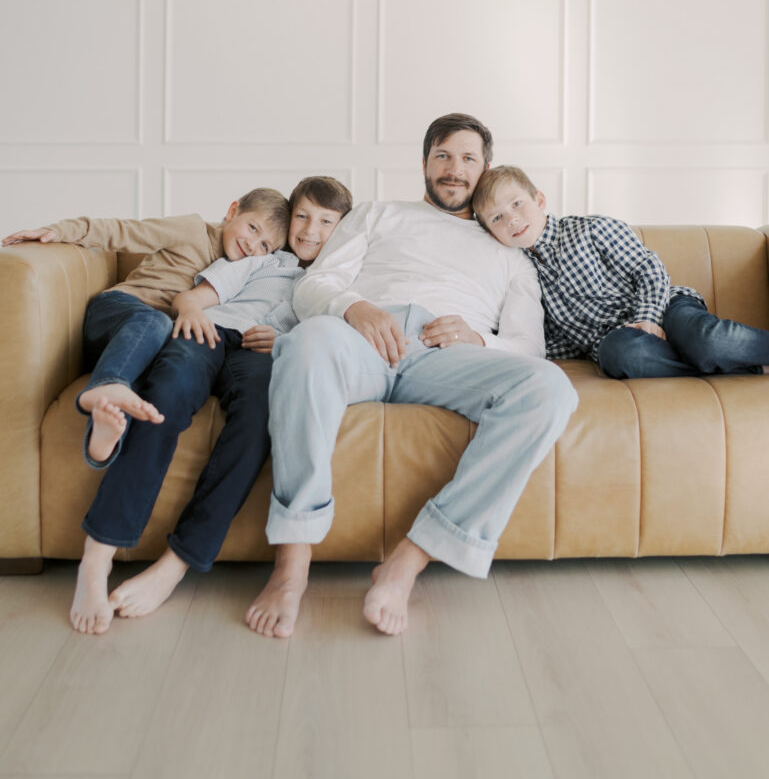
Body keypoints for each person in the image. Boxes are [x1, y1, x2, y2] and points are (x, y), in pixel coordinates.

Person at [246, 114, 579, 639]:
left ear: (484, 167)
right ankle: (292, 562)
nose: (454, 169)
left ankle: (410, 559)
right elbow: (313, 288)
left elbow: (529, 349)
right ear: (424, 163)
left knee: (551, 389)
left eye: (468, 158)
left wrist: (478, 338)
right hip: (360, 336)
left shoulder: (510, 254)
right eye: (443, 155)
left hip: (446, 356)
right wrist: (356, 309)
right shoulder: (378, 214)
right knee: (305, 341)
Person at [67, 176, 352, 635]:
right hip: (209, 333)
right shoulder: (265, 259)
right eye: (302, 215)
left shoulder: (342, 280)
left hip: (263, 356)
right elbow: (195, 297)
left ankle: (175, 564)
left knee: (260, 421)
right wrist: (193, 312)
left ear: (342, 229)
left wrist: (285, 338)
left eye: (326, 221)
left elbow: (335, 343)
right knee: (167, 394)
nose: (310, 229)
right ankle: (97, 555)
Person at [1, 190, 289, 467]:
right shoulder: (191, 229)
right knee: (155, 321)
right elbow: (121, 231)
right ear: (232, 210)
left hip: (146, 345)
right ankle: (107, 384)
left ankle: (102, 443)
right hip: (117, 313)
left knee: (147, 386)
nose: (253, 245)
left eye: (265, 245)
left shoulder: (245, 273)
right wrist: (59, 231)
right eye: (252, 228)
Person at [472, 165, 769, 378]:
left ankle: (723, 352)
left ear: (539, 200)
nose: (512, 220)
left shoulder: (589, 229)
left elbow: (648, 268)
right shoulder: (520, 275)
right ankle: (743, 365)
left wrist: (648, 319)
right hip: (622, 342)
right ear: (489, 231)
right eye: (497, 217)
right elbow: (547, 339)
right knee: (620, 357)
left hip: (665, 309)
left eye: (517, 204)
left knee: (707, 341)